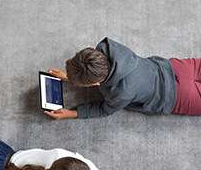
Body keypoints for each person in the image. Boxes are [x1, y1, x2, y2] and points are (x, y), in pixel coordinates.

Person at [45, 37, 201, 119]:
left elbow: (104, 110)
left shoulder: (120, 93)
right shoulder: (110, 48)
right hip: (179, 68)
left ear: (97, 83)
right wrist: (71, 76)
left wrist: (72, 113)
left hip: (178, 97)